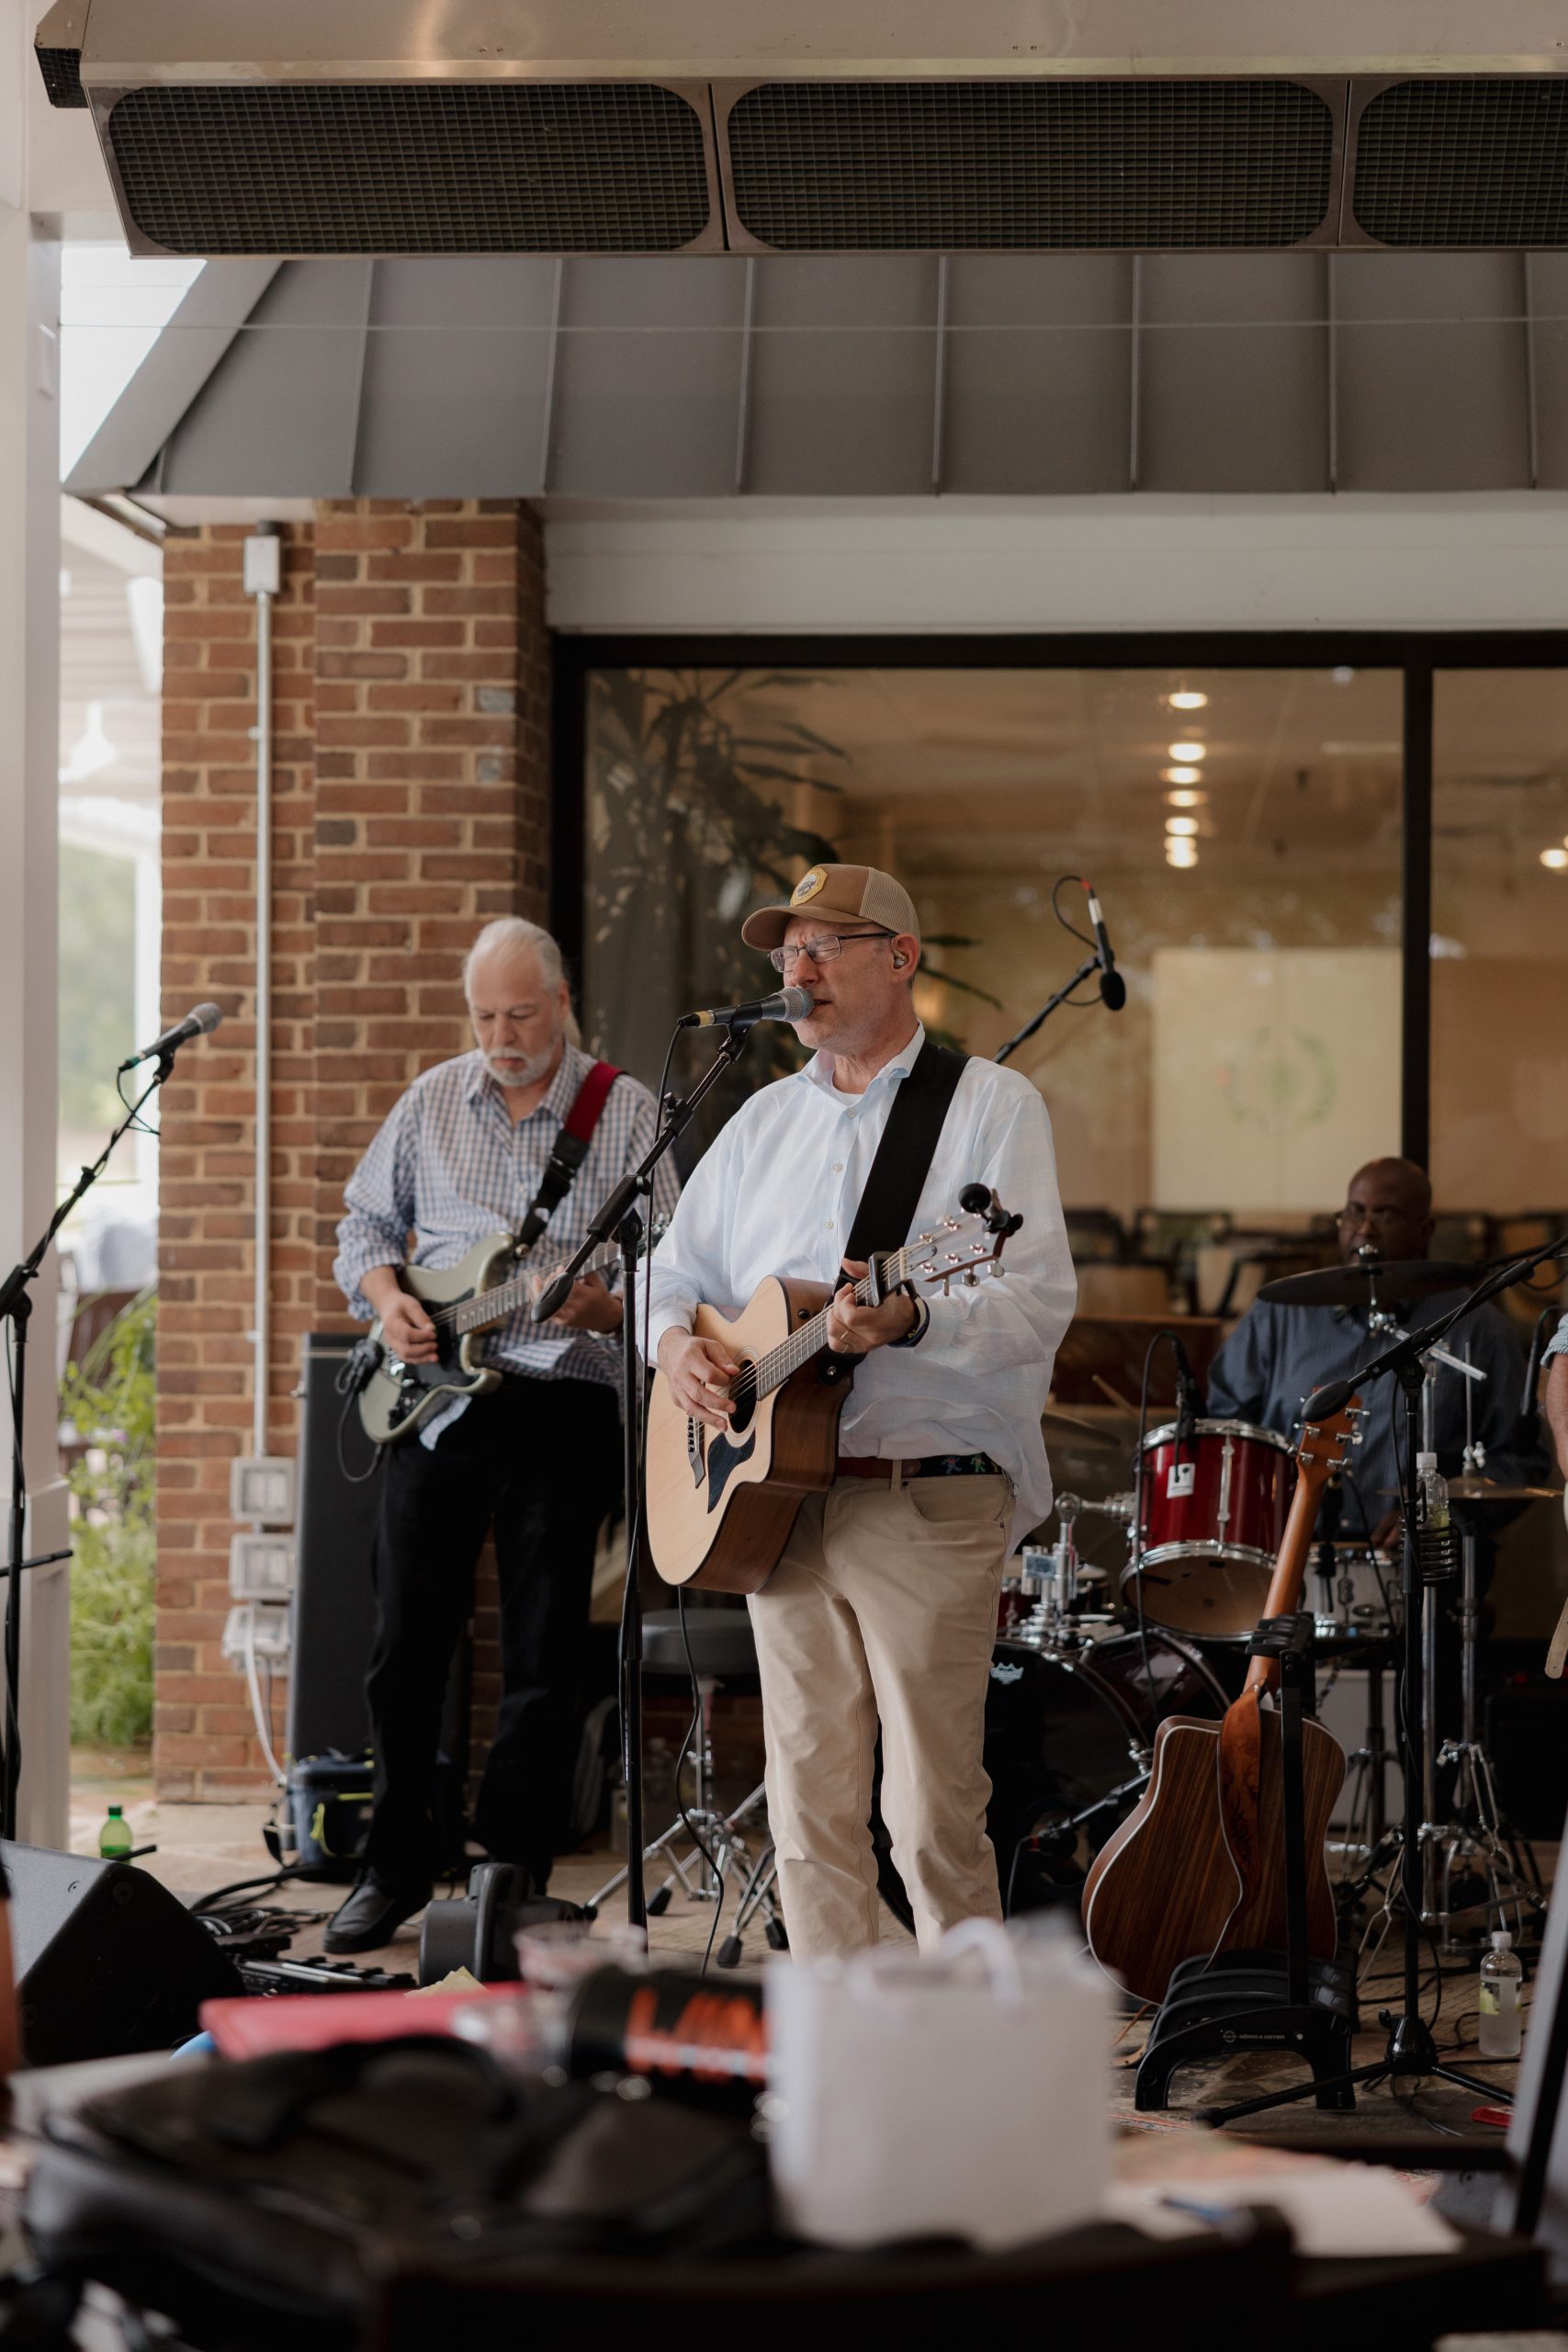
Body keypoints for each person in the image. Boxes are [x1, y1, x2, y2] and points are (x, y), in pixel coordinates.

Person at [644, 863, 1077, 1960]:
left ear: (901, 957)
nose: (799, 968)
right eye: (788, 950)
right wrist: (677, 1349)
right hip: (776, 1507)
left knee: (931, 1814)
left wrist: (912, 1318)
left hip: (922, 1497)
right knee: (808, 1813)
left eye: (828, 943)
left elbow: (1035, 1299)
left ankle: (975, 2059)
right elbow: (671, 1268)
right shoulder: (757, 1123)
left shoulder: (987, 1107)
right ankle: (853, 2057)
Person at [325, 918, 679, 1954]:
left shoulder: (627, 1113)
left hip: (560, 1402)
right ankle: (393, 1861)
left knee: (542, 1655)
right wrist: (388, 1297)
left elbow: (678, 1265)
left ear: (562, 1004)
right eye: (484, 1015)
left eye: (521, 1014)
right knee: (406, 1650)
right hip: (432, 1401)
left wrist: (607, 1311)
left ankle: (505, 1875)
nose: (501, 1034)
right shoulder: (433, 1099)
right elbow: (362, 1226)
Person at [1206, 1157, 1544, 1544]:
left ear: (1425, 1229)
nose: (1365, 1229)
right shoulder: (1282, 1313)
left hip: (1416, 1567)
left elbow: (1519, 1460)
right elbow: (1225, 1426)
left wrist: (1442, 1511)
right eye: (1354, 1213)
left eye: (1385, 1216)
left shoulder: (1474, 1325)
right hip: (1285, 1548)